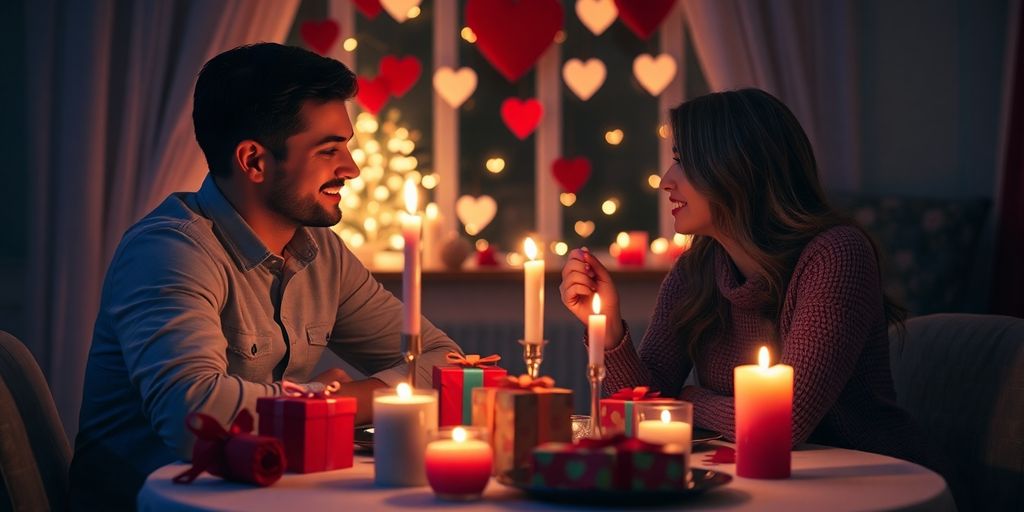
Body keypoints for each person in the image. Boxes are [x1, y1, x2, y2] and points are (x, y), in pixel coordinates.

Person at [69, 43, 461, 509]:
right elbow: (192, 416)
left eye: (347, 147)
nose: (351, 169)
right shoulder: (168, 251)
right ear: (254, 161)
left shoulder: (323, 253)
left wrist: (337, 401)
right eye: (329, 150)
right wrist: (326, 401)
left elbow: (446, 363)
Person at [559, 88, 935, 467]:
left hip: (864, 478)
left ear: (737, 169)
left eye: (684, 162)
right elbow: (640, 409)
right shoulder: (696, 267)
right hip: (758, 476)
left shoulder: (836, 255)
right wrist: (608, 329)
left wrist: (687, 400)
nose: (666, 181)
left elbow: (783, 422)